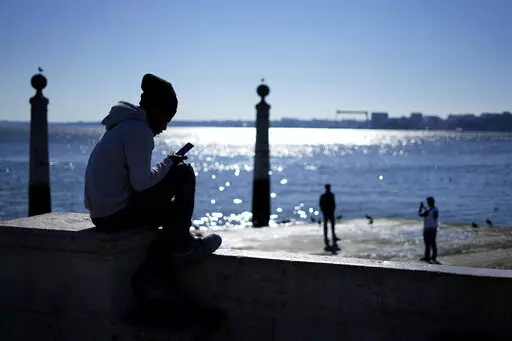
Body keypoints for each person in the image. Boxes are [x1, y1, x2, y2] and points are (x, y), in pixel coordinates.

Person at [84, 73, 222, 307]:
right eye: (167, 118)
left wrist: (166, 163)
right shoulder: (139, 131)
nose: (165, 126)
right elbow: (141, 183)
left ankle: (157, 270)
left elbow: (137, 181)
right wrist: (169, 164)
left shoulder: (121, 126)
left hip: (103, 214)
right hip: (116, 215)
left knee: (171, 214)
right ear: (156, 109)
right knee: (184, 173)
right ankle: (181, 248)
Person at [418, 196, 440, 264]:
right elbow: (421, 214)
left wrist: (422, 208)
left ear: (432, 202)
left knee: (432, 243)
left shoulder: (435, 209)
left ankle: (433, 257)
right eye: (427, 201)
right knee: (427, 243)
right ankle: (427, 256)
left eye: (428, 201)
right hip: (427, 228)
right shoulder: (429, 209)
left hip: (432, 229)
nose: (428, 203)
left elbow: (425, 214)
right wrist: (421, 208)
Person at [319, 184, 339, 251]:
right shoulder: (325, 196)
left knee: (330, 226)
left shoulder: (327, 195)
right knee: (327, 226)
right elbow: (321, 204)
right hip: (327, 213)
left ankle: (331, 237)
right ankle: (327, 237)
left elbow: (333, 204)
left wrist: (331, 210)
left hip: (329, 212)